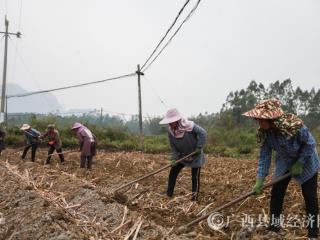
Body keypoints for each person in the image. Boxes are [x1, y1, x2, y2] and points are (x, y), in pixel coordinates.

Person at [243, 99, 319, 239]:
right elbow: (265, 156)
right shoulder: (265, 133)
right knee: (277, 192)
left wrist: (300, 162)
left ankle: (313, 233)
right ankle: (274, 227)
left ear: (272, 118)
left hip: (307, 160)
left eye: (261, 119)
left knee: (310, 196)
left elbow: (310, 143)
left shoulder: (294, 126)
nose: (258, 122)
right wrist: (260, 179)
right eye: (257, 119)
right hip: (285, 161)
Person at [159, 108, 207, 202]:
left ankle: (194, 200)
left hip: (195, 155)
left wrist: (199, 147)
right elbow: (173, 147)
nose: (170, 124)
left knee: (195, 177)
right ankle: (169, 195)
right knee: (173, 172)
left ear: (177, 121)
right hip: (182, 156)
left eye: (171, 122)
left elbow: (203, 133)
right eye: (169, 122)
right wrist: (174, 158)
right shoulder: (170, 131)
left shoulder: (189, 126)